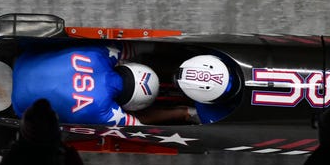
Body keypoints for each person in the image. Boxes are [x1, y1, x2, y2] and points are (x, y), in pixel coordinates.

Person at [12, 43, 195, 126]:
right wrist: (180, 113)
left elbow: (138, 47)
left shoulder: (100, 55)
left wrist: (171, 47)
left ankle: (186, 112)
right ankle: (186, 112)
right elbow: (140, 122)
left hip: (23, 59)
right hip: (19, 106)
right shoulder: (103, 112)